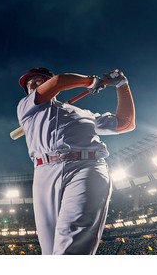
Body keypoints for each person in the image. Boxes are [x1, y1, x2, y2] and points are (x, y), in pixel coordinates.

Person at [16, 67, 135, 254]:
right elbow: (59, 82)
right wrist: (91, 80)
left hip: (86, 167)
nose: (31, 86)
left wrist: (122, 86)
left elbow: (126, 123)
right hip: (43, 173)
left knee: (70, 244)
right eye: (28, 85)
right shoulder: (26, 106)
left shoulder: (84, 114)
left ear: (47, 79)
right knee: (49, 251)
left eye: (38, 81)